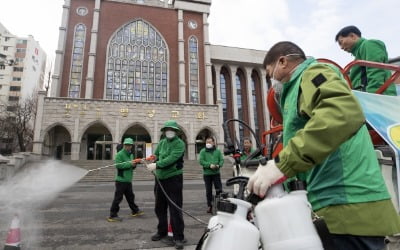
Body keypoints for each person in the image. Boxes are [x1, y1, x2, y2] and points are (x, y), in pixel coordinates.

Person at [247, 41, 400, 250]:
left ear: (283, 62)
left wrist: (281, 164)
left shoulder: (313, 72)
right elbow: (310, 147)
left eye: (270, 71)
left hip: (349, 206)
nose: (271, 79)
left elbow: (342, 113)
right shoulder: (294, 91)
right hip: (331, 209)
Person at [145, 120, 186, 249]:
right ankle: (161, 231)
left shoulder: (180, 144)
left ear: (176, 131)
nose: (169, 131)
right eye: (167, 129)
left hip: (174, 179)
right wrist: (152, 158)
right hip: (160, 179)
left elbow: (171, 159)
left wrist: (156, 165)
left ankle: (178, 236)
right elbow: (157, 154)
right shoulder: (162, 142)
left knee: (175, 208)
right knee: (159, 207)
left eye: (172, 129)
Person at [335, 25, 397, 95]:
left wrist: (373, 95)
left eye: (341, 42)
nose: (341, 47)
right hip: (365, 97)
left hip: (377, 97)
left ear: (352, 36)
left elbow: (375, 71)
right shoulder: (357, 57)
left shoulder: (369, 44)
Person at [107, 137, 143, 222]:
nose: (128, 147)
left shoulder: (131, 154)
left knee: (130, 197)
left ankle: (135, 210)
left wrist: (134, 165)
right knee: (118, 198)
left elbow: (132, 166)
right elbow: (118, 165)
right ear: (124, 145)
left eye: (130, 145)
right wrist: (130, 164)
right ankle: (112, 215)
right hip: (121, 180)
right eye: (127, 145)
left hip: (128, 180)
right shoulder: (119, 154)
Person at [199, 136, 224, 213]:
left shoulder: (218, 151)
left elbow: (221, 160)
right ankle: (209, 205)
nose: (208, 143)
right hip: (207, 174)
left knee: (219, 190)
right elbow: (201, 161)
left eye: (210, 142)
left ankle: (220, 205)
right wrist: (209, 165)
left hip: (216, 173)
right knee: (208, 191)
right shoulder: (203, 151)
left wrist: (218, 165)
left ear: (213, 142)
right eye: (207, 142)